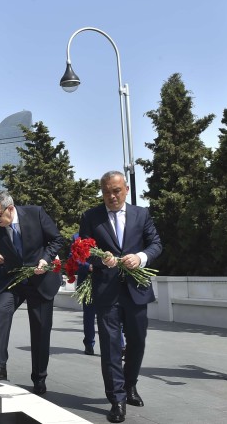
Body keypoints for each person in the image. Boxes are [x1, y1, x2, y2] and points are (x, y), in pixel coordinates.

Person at [79, 171, 162, 423]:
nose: (111, 196)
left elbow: (156, 244)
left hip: (136, 290)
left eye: (116, 191)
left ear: (125, 189)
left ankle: (130, 385)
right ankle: (116, 399)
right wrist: (101, 259)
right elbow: (83, 250)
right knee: (111, 345)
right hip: (106, 292)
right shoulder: (91, 216)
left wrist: (141, 257)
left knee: (137, 341)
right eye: (106, 192)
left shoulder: (141, 214)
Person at [0, 190, 63, 395]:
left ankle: (39, 377)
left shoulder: (35, 213)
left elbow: (57, 240)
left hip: (41, 280)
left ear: (10, 208)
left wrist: (46, 259)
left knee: (40, 330)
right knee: (0, 309)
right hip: (13, 281)